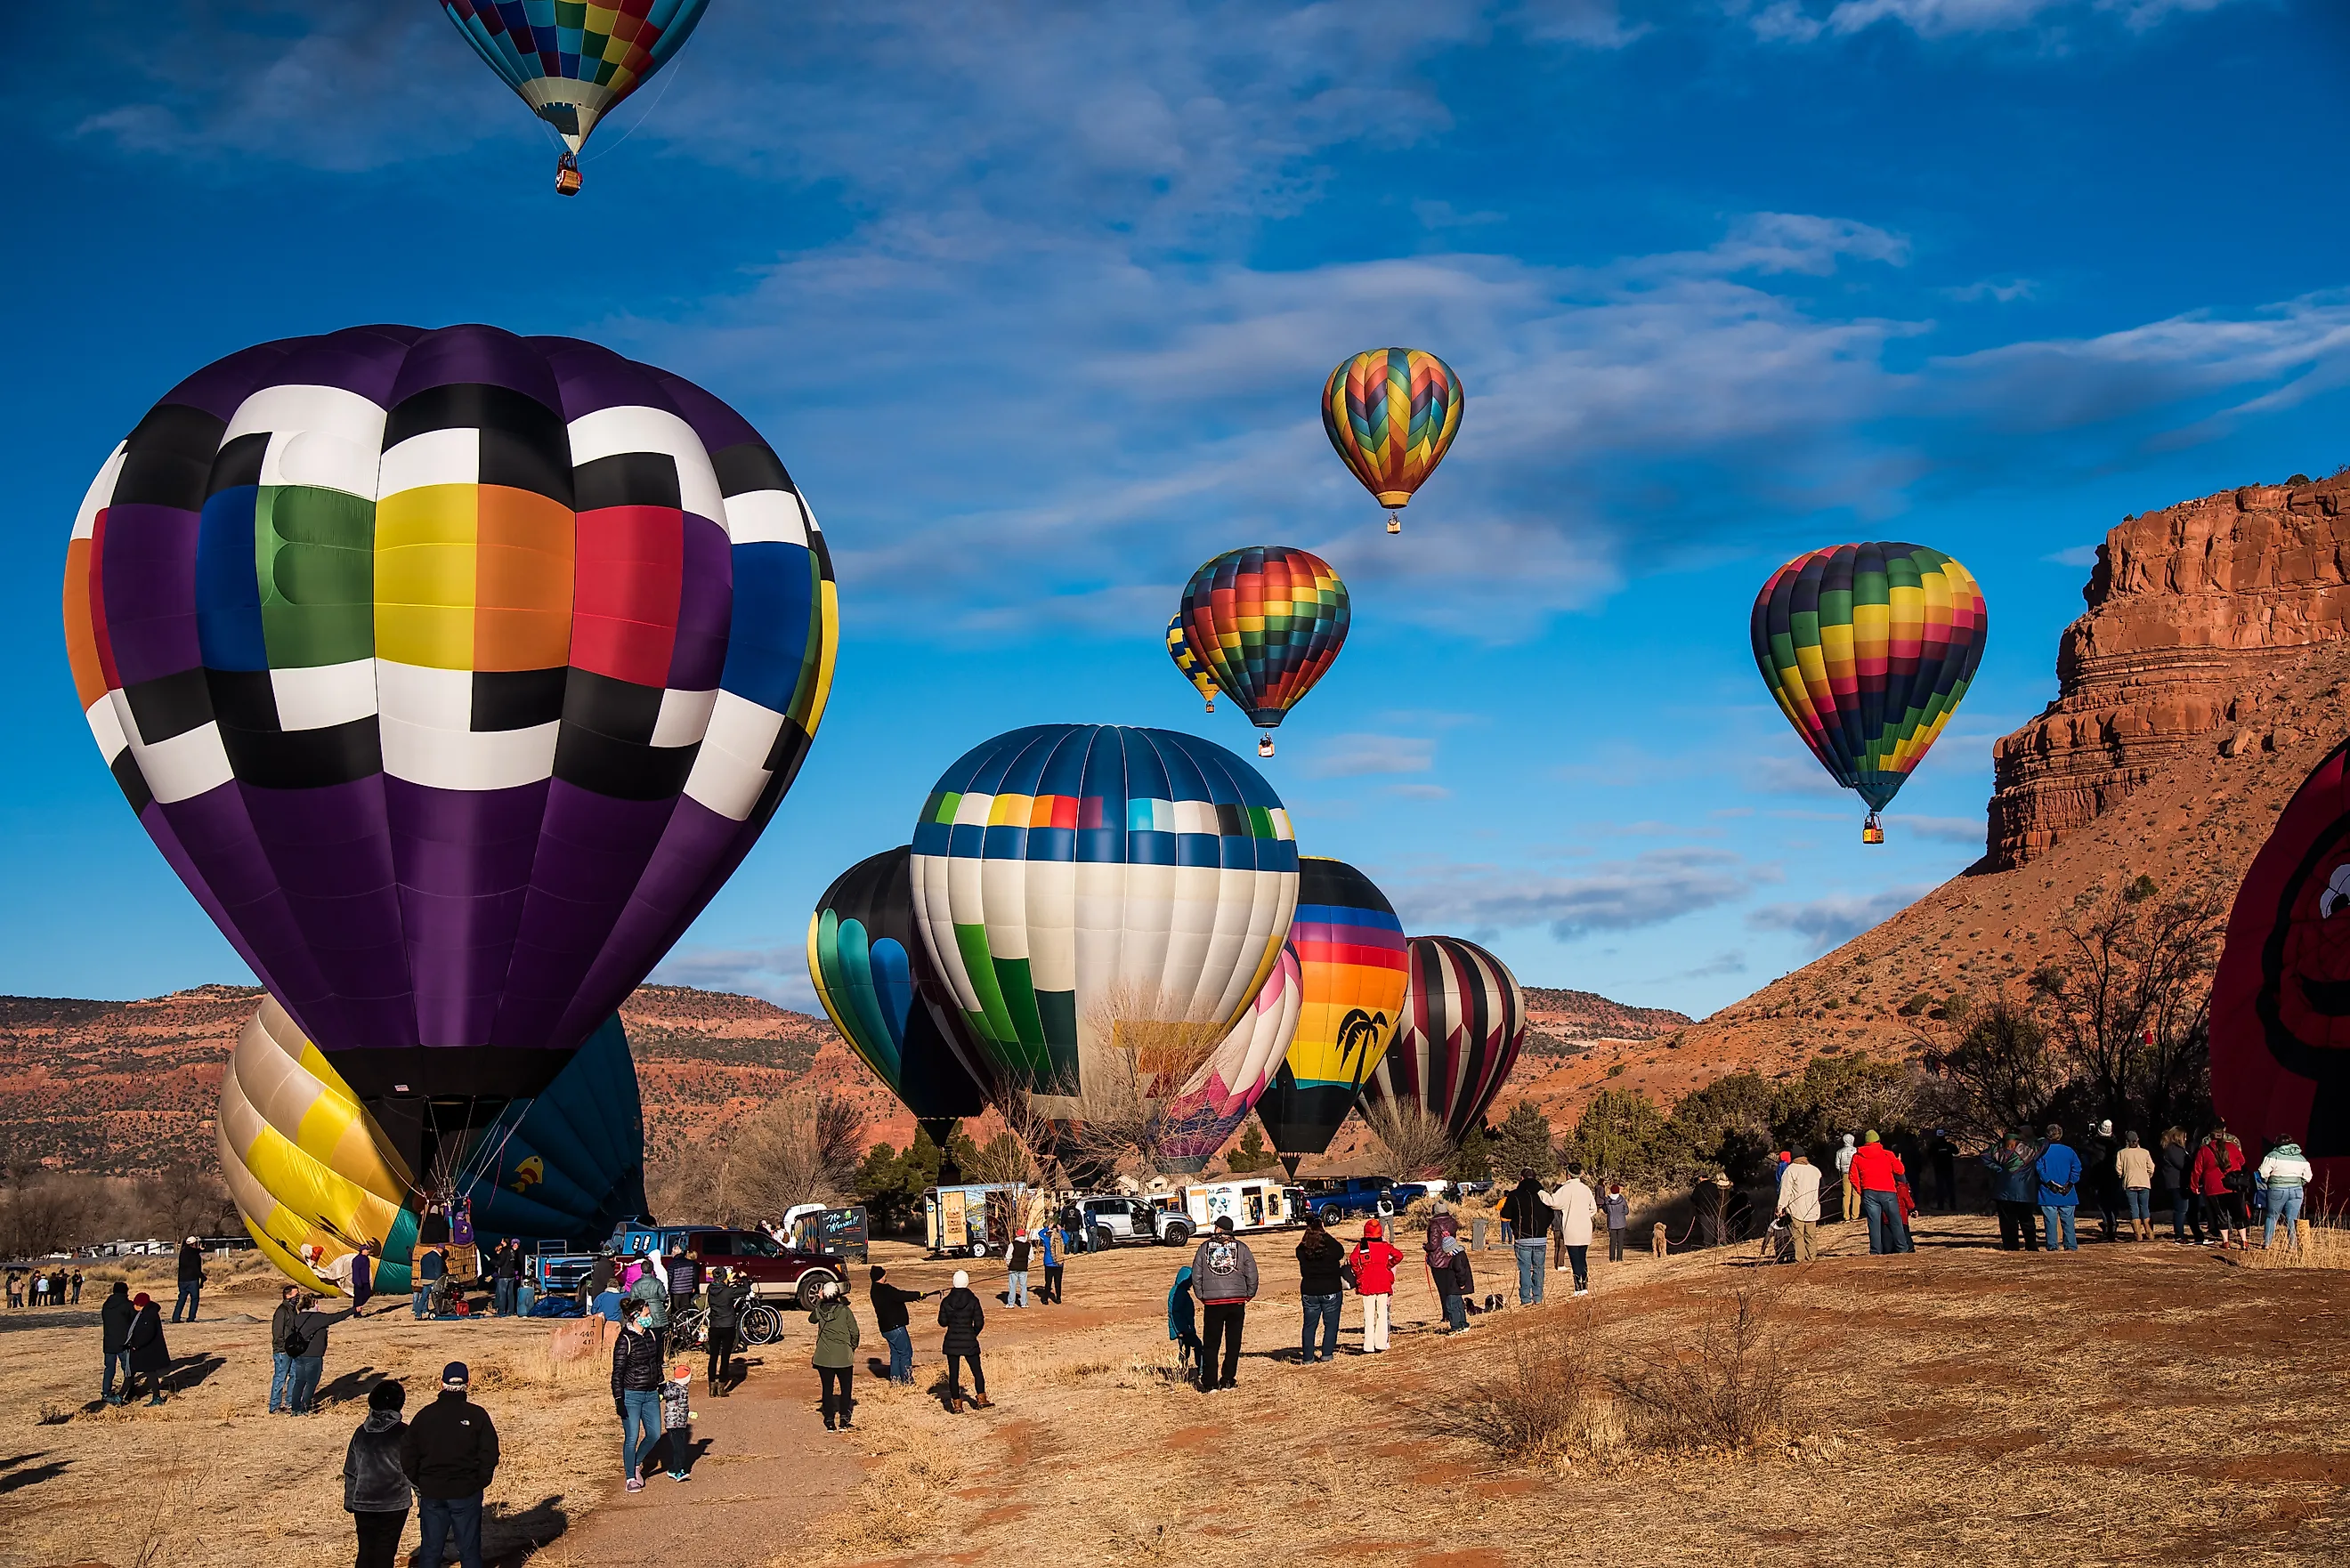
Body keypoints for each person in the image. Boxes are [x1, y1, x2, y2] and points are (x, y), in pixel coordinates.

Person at [402, 1362, 498, 1568]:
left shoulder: (424, 1416)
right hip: (466, 1492)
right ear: (468, 1383)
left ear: (441, 1383)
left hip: (432, 1493)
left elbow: (408, 1454)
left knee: (430, 1550)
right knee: (469, 1550)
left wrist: (421, 1481)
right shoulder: (477, 1415)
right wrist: (480, 1481)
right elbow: (490, 1453)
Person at [344, 1378, 411, 1568]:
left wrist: (350, 1500)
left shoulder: (360, 1433)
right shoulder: (404, 1433)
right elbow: (412, 1470)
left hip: (363, 1504)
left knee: (365, 1552)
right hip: (394, 1505)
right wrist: (425, 1500)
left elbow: (351, 1470)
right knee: (385, 1552)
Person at [1189, 1216, 1259, 1391]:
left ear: (1219, 1229)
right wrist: (1248, 1295)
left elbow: (1196, 1275)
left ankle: (1210, 1383)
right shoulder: (1242, 1249)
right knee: (1233, 1342)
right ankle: (1228, 1380)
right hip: (1236, 1301)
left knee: (1211, 1344)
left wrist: (1202, 1296)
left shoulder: (1204, 1248)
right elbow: (1253, 1274)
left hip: (1213, 1303)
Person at [612, 1300, 664, 1491]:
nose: (649, 1318)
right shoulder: (625, 1339)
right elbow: (617, 1371)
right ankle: (629, 1479)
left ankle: (636, 1463)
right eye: (646, 1315)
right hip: (631, 1395)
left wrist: (660, 1383)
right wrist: (619, 1398)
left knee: (654, 1434)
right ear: (635, 1317)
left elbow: (656, 1362)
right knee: (632, 1437)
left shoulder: (650, 1335)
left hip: (650, 1393)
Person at [288, 1291, 354, 1415]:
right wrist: (353, 1310)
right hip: (314, 1355)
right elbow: (336, 1317)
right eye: (317, 1303)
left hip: (298, 1354)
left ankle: (295, 1408)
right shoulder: (319, 1318)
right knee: (312, 1381)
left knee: (299, 1381)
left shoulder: (298, 1317)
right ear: (314, 1303)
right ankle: (305, 1407)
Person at [809, 1278, 861, 1431]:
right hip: (843, 1356)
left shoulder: (819, 1310)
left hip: (824, 1357)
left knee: (827, 1389)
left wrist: (819, 1301)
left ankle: (829, 1421)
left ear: (824, 1295)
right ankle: (844, 1419)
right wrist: (852, 1347)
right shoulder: (845, 1311)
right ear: (838, 1294)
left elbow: (811, 1319)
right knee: (846, 1389)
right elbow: (855, 1332)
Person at [867, 1265, 930, 1386]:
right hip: (896, 1327)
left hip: (886, 1328)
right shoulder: (885, 1290)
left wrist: (916, 1296)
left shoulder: (874, 1290)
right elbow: (901, 1295)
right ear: (881, 1276)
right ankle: (907, 1381)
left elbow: (899, 1296)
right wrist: (918, 1294)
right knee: (906, 1353)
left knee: (895, 1353)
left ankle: (895, 1380)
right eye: (885, 1274)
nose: (886, 1276)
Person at [1294, 1211, 1346, 1362]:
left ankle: (1308, 1358)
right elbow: (1340, 1251)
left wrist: (1311, 1232)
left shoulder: (1303, 1249)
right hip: (1331, 1290)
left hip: (1309, 1291)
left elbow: (1300, 1249)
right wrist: (1324, 1233)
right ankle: (1327, 1354)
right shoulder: (1329, 1246)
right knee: (1331, 1324)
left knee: (1309, 1326)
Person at [938, 1269, 991, 1411]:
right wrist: (972, 1334)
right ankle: (981, 1399)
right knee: (977, 1371)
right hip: (969, 1340)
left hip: (952, 1340)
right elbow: (979, 1322)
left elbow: (942, 1322)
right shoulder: (973, 1300)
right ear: (967, 1282)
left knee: (953, 1374)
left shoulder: (947, 1301)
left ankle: (957, 1405)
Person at [1849, 1132, 1909, 1255]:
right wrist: (1898, 1161)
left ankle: (1875, 1251)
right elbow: (1900, 1170)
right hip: (1888, 1191)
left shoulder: (1857, 1157)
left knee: (1874, 1223)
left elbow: (1852, 1177)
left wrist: (1862, 1191)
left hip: (1869, 1192)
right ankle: (1902, 1248)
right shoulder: (1888, 1154)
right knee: (1896, 1221)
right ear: (1878, 1141)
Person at [1349, 1219, 1404, 1353]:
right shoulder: (1385, 1246)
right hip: (1383, 1283)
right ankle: (1381, 1344)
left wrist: (1359, 1273)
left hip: (1367, 1283)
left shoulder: (1362, 1246)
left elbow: (1353, 1260)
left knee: (1368, 1315)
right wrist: (1388, 1266)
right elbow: (1399, 1255)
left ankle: (1368, 1346)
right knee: (1382, 1314)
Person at [1544, 1163, 1598, 1297]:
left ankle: (1578, 1287)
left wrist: (1541, 1194)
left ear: (1568, 1174)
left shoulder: (1565, 1189)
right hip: (1585, 1228)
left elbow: (1553, 1202)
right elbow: (1593, 1208)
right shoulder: (1586, 1189)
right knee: (1582, 1258)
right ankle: (1584, 1286)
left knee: (1575, 1260)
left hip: (1571, 1229)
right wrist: (1585, 1216)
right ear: (1580, 1174)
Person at [2192, 1123, 2249, 1249]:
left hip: (2213, 1187)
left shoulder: (2204, 1150)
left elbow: (2197, 1170)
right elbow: (2242, 1161)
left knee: (2221, 1215)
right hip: (2233, 1186)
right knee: (2238, 1214)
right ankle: (2244, 1242)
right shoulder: (2232, 1146)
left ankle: (2226, 1242)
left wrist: (2194, 1186)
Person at [1501, 1168, 1552, 1306]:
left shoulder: (1514, 1195)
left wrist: (1516, 1224)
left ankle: (1525, 1299)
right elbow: (1551, 1213)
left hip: (1522, 1237)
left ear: (1521, 1178)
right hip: (1540, 1237)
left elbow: (1505, 1214)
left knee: (1524, 1268)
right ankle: (1538, 1297)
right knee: (1539, 1268)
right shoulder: (1542, 1195)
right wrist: (1543, 1226)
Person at [1982, 1134, 2041, 1252]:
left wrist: (1997, 1168)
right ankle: (2031, 1246)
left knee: (2007, 1222)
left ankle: (2011, 1247)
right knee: (2027, 1221)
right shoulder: (2029, 1149)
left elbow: (1984, 1155)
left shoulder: (1998, 1149)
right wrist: (2029, 1135)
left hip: (2003, 1192)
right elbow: (2044, 1143)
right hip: (2024, 1192)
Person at [2036, 1124, 2084, 1252]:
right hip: (2067, 1192)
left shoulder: (2042, 1152)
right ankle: (2071, 1246)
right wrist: (2070, 1183)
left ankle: (2052, 1246)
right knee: (2068, 1221)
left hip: (2048, 1191)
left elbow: (2039, 1169)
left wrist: (2049, 1182)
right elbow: (2077, 1168)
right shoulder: (2069, 1151)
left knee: (2050, 1221)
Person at [2260, 1137, 2314, 1249]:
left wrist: (2270, 1181)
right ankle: (2292, 1245)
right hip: (2297, 1190)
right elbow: (2308, 1176)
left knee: (2272, 1216)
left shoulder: (2273, 1155)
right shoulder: (2301, 1158)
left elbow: (2263, 1172)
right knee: (2292, 1218)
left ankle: (2267, 1244)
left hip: (2277, 1189)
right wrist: (2299, 1183)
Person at [705, 1265, 752, 1392]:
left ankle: (711, 1387)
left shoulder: (710, 1289)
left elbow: (720, 1287)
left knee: (713, 1357)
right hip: (728, 1325)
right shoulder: (728, 1291)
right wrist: (744, 1278)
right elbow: (746, 1290)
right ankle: (721, 1387)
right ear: (724, 1277)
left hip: (714, 1325)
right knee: (725, 1357)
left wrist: (728, 1283)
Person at [1776, 1151, 1822, 1262]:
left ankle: (1799, 1260)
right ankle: (1811, 1258)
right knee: (1811, 1236)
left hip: (1796, 1208)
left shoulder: (1790, 1170)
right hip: (1812, 1207)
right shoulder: (1815, 1170)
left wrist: (1781, 1206)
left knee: (1798, 1236)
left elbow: (1786, 1190)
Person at [125, 1290, 169, 1405]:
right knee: (145, 1373)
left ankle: (156, 1398)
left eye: (136, 1305)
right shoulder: (146, 1313)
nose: (134, 1307)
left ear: (141, 1305)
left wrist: (136, 1345)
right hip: (146, 1349)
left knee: (147, 1372)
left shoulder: (148, 1315)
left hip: (147, 1350)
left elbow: (147, 1333)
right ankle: (155, 1397)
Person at [2158, 1127, 2200, 1245]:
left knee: (2186, 1209)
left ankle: (2195, 1234)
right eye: (2185, 1136)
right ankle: (2179, 1236)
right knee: (2181, 1210)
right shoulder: (2173, 1149)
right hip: (2177, 1183)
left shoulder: (2174, 1149)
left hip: (2179, 1182)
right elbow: (2182, 1165)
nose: (2186, 1139)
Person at [2079, 1121, 2119, 1242]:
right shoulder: (2115, 1146)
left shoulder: (2092, 1145)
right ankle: (2112, 1225)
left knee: (2103, 1204)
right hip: (2112, 1176)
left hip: (2097, 1177)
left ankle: (2108, 1226)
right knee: (2112, 1203)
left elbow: (2084, 1153)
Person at [2115, 1131, 2157, 1242]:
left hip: (2130, 1182)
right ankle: (2149, 1232)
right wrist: (2147, 1176)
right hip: (2144, 1183)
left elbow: (2118, 1169)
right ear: (2138, 1140)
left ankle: (2138, 1234)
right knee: (2145, 1207)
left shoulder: (2121, 1153)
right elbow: (2151, 1167)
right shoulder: (2145, 1152)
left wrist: (2123, 1176)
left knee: (2134, 1208)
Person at [657, 1362, 695, 1479]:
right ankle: (676, 1470)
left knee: (681, 1447)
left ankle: (677, 1468)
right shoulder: (676, 1388)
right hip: (674, 1423)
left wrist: (688, 1412)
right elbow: (668, 1393)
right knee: (679, 1448)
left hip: (680, 1422)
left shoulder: (682, 1388)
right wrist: (661, 1392)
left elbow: (681, 1405)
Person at [100, 1280, 134, 1405]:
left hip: (108, 1341)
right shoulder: (127, 1305)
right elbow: (133, 1321)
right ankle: (129, 1391)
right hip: (123, 1343)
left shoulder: (106, 1305)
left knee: (109, 1368)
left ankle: (105, 1392)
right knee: (128, 1368)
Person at [269, 1283, 302, 1414]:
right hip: (283, 1351)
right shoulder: (282, 1311)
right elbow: (277, 1332)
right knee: (280, 1377)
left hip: (292, 1349)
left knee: (294, 1375)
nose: (298, 1297)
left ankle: (290, 1403)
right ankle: (274, 1406)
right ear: (288, 1296)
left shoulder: (293, 1310)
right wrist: (282, 1348)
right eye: (295, 1294)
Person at [1435, 1232, 1475, 1332]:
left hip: (1455, 1287)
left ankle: (1456, 1326)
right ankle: (1463, 1324)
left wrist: (1461, 1284)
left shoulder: (1457, 1258)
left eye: (1448, 1252)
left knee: (1451, 1306)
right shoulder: (1461, 1255)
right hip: (1456, 1287)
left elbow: (1460, 1272)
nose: (1447, 1254)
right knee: (1459, 1305)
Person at [1167, 1265, 1202, 1374]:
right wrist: (1180, 1330)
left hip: (1185, 1327)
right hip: (1183, 1329)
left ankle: (1183, 1369)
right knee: (1197, 1345)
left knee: (1185, 1349)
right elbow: (1175, 1312)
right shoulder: (1179, 1293)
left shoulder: (1179, 1292)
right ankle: (1200, 1368)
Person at [173, 1236, 204, 1322]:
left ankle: (176, 1317)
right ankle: (191, 1318)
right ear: (194, 1244)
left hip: (182, 1280)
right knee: (194, 1299)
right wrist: (202, 1277)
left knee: (181, 1298)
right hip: (192, 1279)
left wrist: (200, 1250)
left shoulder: (183, 1252)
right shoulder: (195, 1255)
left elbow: (192, 1252)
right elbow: (195, 1267)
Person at [1693, 1175, 1729, 1249]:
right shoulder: (1714, 1186)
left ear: (1700, 1177)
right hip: (1713, 1209)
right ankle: (1714, 1242)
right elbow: (1717, 1196)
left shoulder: (1698, 1187)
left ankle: (1708, 1243)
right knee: (1712, 1226)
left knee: (1705, 1227)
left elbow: (1694, 1198)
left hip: (1702, 1210)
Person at [666, 1244, 699, 1322]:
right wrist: (694, 1287)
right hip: (687, 1289)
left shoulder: (672, 1264)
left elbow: (670, 1278)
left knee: (676, 1310)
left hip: (676, 1290)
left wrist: (669, 1289)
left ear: (674, 1253)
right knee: (685, 1309)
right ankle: (685, 1324)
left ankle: (677, 1325)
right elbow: (694, 1276)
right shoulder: (690, 1263)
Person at [1037, 1221, 1066, 1305]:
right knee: (1058, 1282)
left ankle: (1045, 1299)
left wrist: (1047, 1228)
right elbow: (1067, 1238)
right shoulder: (1060, 1240)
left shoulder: (1046, 1240)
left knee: (1048, 1282)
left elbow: (1040, 1233)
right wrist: (1061, 1230)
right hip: (1059, 1264)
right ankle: (1058, 1298)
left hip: (1049, 1264)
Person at [415, 1243, 445, 1320]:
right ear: (439, 1249)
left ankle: (418, 1314)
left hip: (424, 1279)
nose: (442, 1251)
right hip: (432, 1280)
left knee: (424, 1297)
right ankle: (439, 1311)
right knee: (438, 1297)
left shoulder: (425, 1256)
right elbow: (438, 1271)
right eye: (442, 1249)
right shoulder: (437, 1258)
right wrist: (439, 1280)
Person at [1003, 1230, 1033, 1308]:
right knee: (1023, 1286)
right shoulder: (1028, 1245)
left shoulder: (1013, 1244)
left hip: (1013, 1267)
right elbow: (1031, 1257)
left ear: (1017, 1235)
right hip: (1024, 1268)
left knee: (1012, 1285)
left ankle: (1011, 1303)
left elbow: (1008, 1256)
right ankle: (1024, 1303)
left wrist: (1008, 1264)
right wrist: (1026, 1263)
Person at [1835, 1134, 1860, 1222]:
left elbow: (1837, 1165)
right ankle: (1855, 1215)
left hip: (1845, 1174)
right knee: (1856, 1193)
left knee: (1846, 1195)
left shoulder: (1839, 1152)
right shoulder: (1856, 1150)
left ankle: (1846, 1216)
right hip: (1855, 1173)